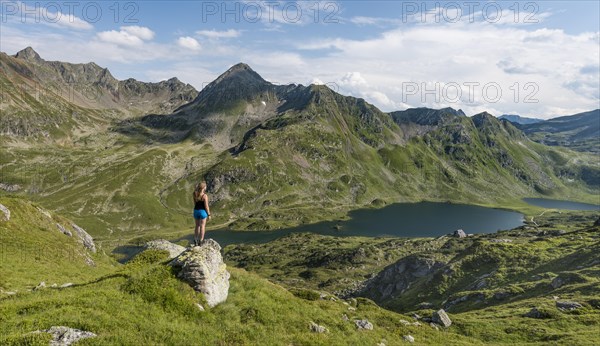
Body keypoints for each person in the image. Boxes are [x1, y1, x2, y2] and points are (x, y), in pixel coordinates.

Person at [192, 181, 211, 246]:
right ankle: (201, 240)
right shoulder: (204, 196)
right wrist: (209, 214)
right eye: (205, 186)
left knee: (197, 226)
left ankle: (195, 239)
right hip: (202, 212)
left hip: (196, 211)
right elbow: (206, 206)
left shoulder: (195, 194)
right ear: (204, 188)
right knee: (202, 226)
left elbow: (195, 203)